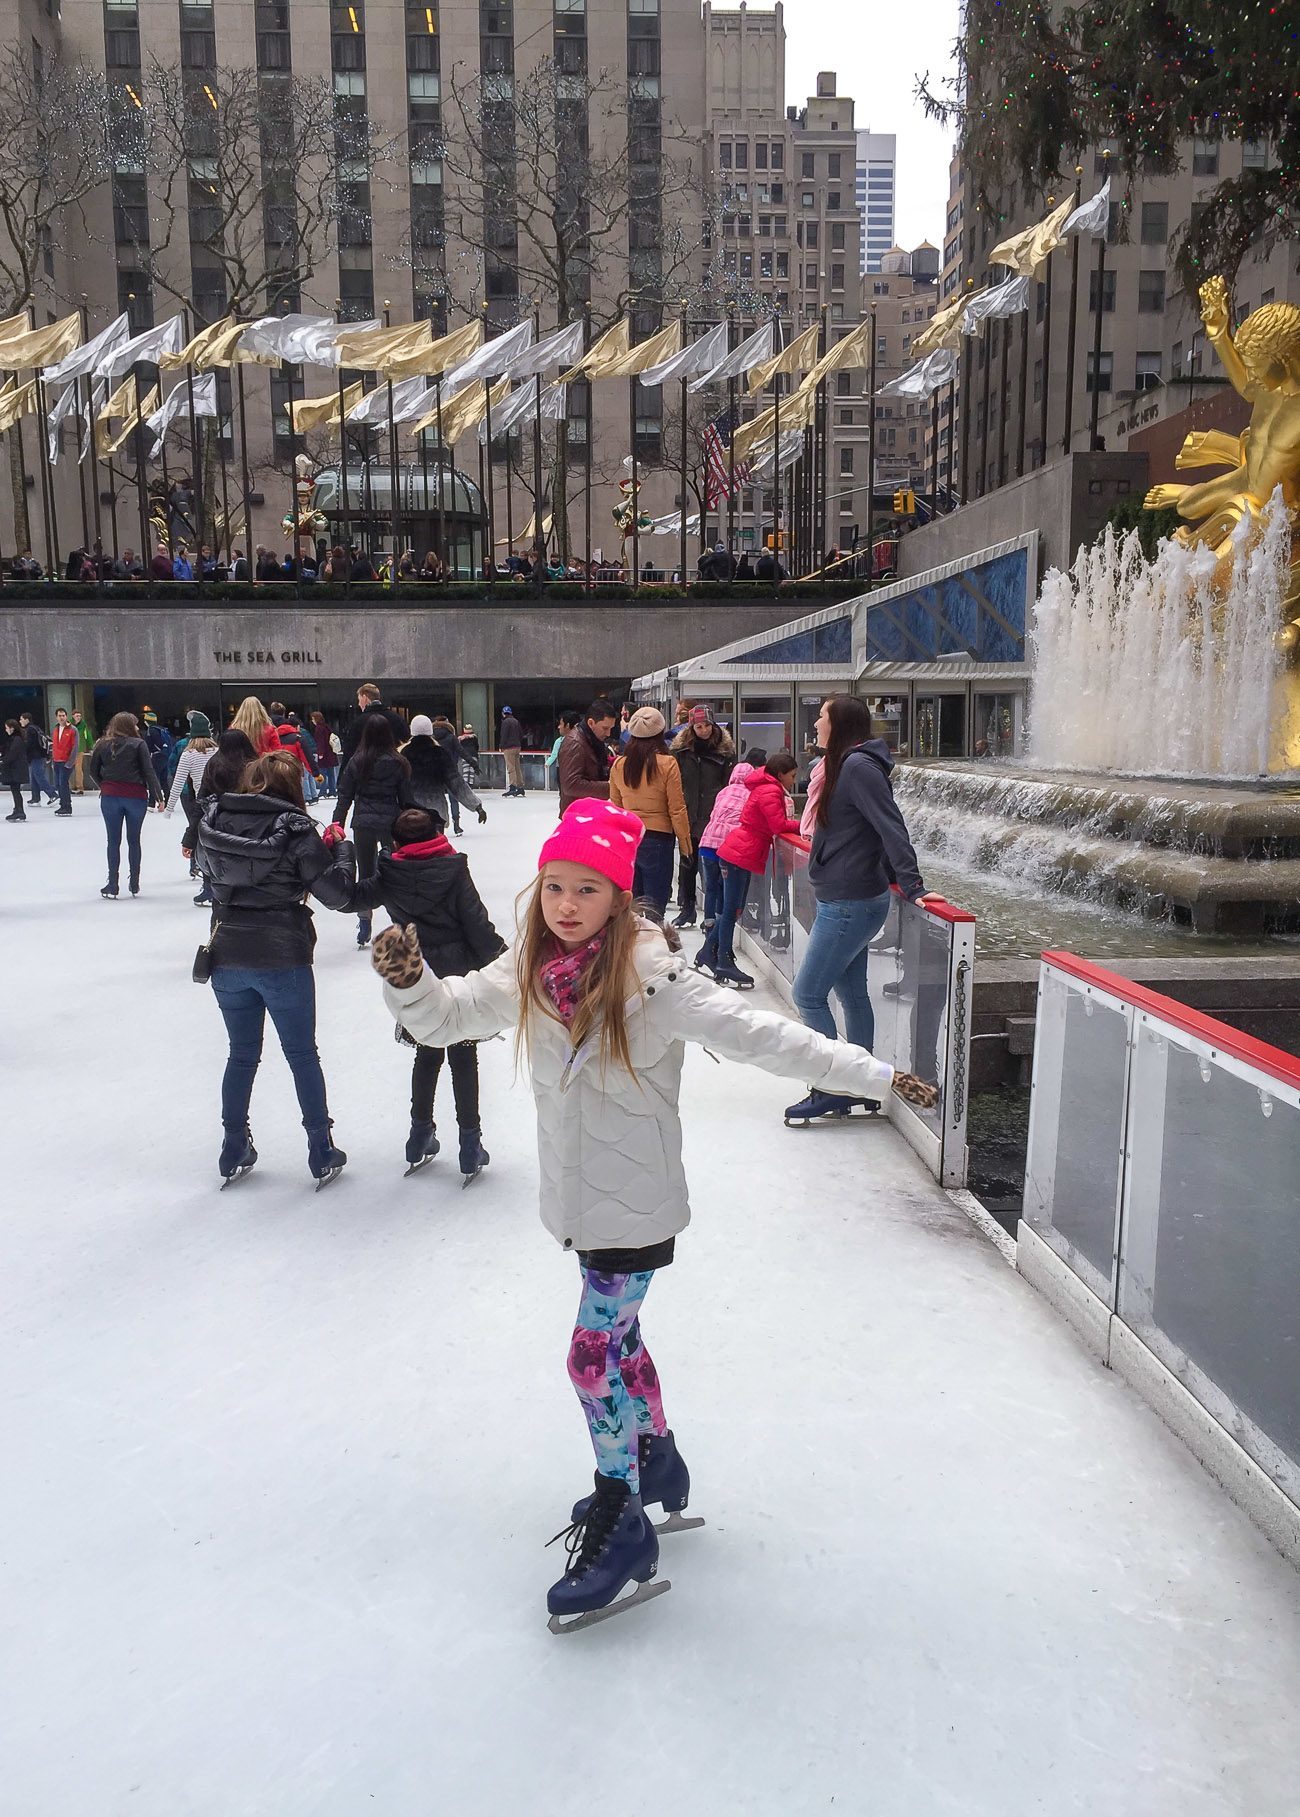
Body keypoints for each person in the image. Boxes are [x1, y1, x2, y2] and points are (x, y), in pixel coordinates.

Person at [367, 798, 937, 1629]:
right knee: (623, 1345)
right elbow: (450, 1018)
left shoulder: (656, 982)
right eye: (555, 885)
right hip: (581, 1202)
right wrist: (411, 983)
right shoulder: (529, 970)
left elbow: (767, 1037)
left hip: (634, 1209)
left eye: (587, 890)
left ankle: (624, 1516)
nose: (565, 905)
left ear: (619, 897)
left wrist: (876, 1074)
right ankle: (658, 1459)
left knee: (589, 1359)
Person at [197, 751, 355, 1188]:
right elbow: (337, 895)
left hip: (227, 950)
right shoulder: (298, 831)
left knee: (241, 1054)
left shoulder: (214, 822)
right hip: (282, 954)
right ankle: (321, 1148)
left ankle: (233, 1144)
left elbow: (210, 878)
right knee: (302, 1054)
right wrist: (342, 849)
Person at [328, 805, 505, 1179]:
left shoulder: (389, 872)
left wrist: (340, 851)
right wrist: (508, 961)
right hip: (457, 974)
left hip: (415, 976)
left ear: (397, 842)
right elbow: (477, 924)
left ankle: (419, 1134)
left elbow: (351, 898)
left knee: (427, 1054)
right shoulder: (454, 869)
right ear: (436, 835)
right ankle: (470, 1145)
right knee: (463, 1056)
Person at [786, 694, 934, 1123]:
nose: (815, 723)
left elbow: (890, 825)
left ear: (840, 725)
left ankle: (834, 1083)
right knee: (851, 994)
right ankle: (863, 1085)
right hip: (847, 897)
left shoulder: (857, 768)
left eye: (821, 717)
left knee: (807, 993)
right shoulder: (843, 766)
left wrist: (913, 884)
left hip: (850, 903)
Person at [698, 751, 800, 989]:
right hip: (739, 853)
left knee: (734, 909)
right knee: (731, 908)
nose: (794, 780)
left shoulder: (765, 788)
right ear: (781, 773)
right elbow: (778, 825)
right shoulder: (771, 791)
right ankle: (722, 958)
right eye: (793, 775)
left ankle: (707, 952)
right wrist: (805, 826)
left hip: (741, 852)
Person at [333, 711, 416, 948]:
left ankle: (365, 920)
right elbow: (406, 799)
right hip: (391, 824)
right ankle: (400, 921)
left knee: (366, 873)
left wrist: (336, 823)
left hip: (363, 824)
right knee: (395, 872)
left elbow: (345, 797)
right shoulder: (400, 763)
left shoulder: (357, 761)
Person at [608, 707, 692, 919]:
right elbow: (677, 808)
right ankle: (653, 945)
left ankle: (630, 948)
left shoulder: (619, 764)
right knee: (655, 908)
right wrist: (686, 846)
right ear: (660, 732)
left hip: (629, 839)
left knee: (631, 905)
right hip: (658, 839)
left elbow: (616, 808)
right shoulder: (667, 763)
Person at [668, 705, 736, 929]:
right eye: (699, 726)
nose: (704, 730)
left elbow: (729, 785)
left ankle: (714, 911)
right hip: (689, 813)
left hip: (714, 817)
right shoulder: (680, 752)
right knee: (688, 862)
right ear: (692, 727)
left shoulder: (724, 752)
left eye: (707, 725)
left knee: (713, 866)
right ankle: (687, 908)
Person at [87, 710, 163, 897]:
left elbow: (93, 771)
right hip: (135, 796)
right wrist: (158, 795)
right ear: (129, 726)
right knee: (134, 840)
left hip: (110, 797)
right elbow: (148, 771)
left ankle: (112, 884)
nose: (138, 727)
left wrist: (105, 786)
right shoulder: (139, 744)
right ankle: (134, 882)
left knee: (113, 841)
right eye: (135, 724)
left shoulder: (102, 744)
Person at [695, 755, 758, 946]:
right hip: (726, 847)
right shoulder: (750, 794)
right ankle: (720, 930)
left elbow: (714, 814)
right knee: (725, 891)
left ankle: (709, 925)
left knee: (711, 887)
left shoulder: (723, 792)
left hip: (707, 844)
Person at [404, 714, 487, 841]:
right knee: (436, 851)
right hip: (436, 812)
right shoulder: (439, 753)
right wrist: (477, 807)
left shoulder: (404, 755)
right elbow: (456, 783)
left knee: (413, 853)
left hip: (410, 814)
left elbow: (393, 784)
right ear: (430, 731)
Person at [164, 711, 217, 888]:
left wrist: (169, 808)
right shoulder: (218, 752)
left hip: (200, 802)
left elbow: (178, 781)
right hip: (221, 801)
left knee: (200, 838)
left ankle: (206, 881)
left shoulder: (189, 754)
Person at [557, 698, 616, 812]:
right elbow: (571, 785)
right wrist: (610, 787)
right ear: (591, 723)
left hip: (587, 812)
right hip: (577, 816)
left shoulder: (591, 740)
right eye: (605, 728)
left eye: (611, 728)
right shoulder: (575, 743)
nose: (608, 733)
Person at [339, 682, 410, 769]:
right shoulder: (397, 719)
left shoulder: (359, 723)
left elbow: (350, 751)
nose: (359, 704)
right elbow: (406, 744)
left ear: (365, 698)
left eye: (359, 699)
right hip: (393, 770)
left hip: (366, 771)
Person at [431, 714, 480, 834]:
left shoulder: (431, 738)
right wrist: (473, 763)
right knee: (454, 799)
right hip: (450, 771)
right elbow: (461, 751)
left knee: (437, 799)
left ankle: (437, 827)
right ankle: (456, 825)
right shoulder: (451, 737)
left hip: (434, 772)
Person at [20, 713, 57, 806]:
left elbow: (30, 744)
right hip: (39, 756)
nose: (20, 721)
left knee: (39, 777)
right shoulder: (36, 728)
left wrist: (22, 750)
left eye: (21, 719)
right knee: (34, 777)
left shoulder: (30, 730)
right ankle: (35, 798)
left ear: (27, 720)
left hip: (36, 757)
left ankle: (53, 794)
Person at [50, 706, 77, 815]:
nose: (62, 718)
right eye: (59, 716)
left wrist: (70, 762)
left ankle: (67, 806)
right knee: (58, 784)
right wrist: (53, 759)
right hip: (56, 761)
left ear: (66, 716)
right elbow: (55, 745)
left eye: (63, 715)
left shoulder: (72, 729)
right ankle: (63, 804)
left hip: (66, 761)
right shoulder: (55, 729)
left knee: (63, 783)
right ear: (56, 717)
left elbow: (75, 746)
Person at [2, 714, 29, 820]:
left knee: (16, 790)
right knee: (15, 790)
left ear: (12, 728)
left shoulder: (16, 739)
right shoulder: (15, 739)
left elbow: (12, 754)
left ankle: (19, 811)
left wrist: (4, 760)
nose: (6, 730)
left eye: (6, 728)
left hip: (16, 769)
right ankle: (18, 809)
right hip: (15, 769)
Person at [546, 713, 579, 797]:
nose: (558, 727)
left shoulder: (577, 741)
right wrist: (548, 762)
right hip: (560, 766)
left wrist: (548, 763)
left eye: (560, 724)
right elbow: (554, 754)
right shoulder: (559, 741)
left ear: (567, 725)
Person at [141, 707, 172, 795]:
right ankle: (167, 799)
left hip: (156, 757)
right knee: (164, 780)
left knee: (153, 779)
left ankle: (152, 801)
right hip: (165, 756)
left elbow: (148, 745)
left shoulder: (150, 731)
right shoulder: (162, 729)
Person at [499, 705, 525, 798]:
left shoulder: (505, 722)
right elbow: (521, 734)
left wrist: (501, 746)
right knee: (517, 767)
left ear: (503, 713)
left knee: (511, 768)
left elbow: (504, 735)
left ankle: (513, 787)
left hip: (509, 747)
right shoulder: (516, 721)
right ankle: (520, 787)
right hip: (517, 746)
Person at [311, 711, 338, 795]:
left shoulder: (319, 728)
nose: (312, 721)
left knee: (322, 773)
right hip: (330, 753)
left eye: (312, 719)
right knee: (331, 773)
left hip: (324, 754)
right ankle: (332, 790)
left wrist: (320, 753)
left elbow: (320, 742)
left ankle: (322, 791)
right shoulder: (326, 726)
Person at [71, 707, 94, 793]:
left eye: (80, 716)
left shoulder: (83, 726)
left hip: (79, 749)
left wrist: (90, 747)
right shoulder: (68, 725)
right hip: (70, 750)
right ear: (73, 716)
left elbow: (88, 737)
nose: (79, 717)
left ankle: (79, 787)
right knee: (70, 768)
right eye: (77, 716)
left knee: (78, 768)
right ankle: (71, 786)